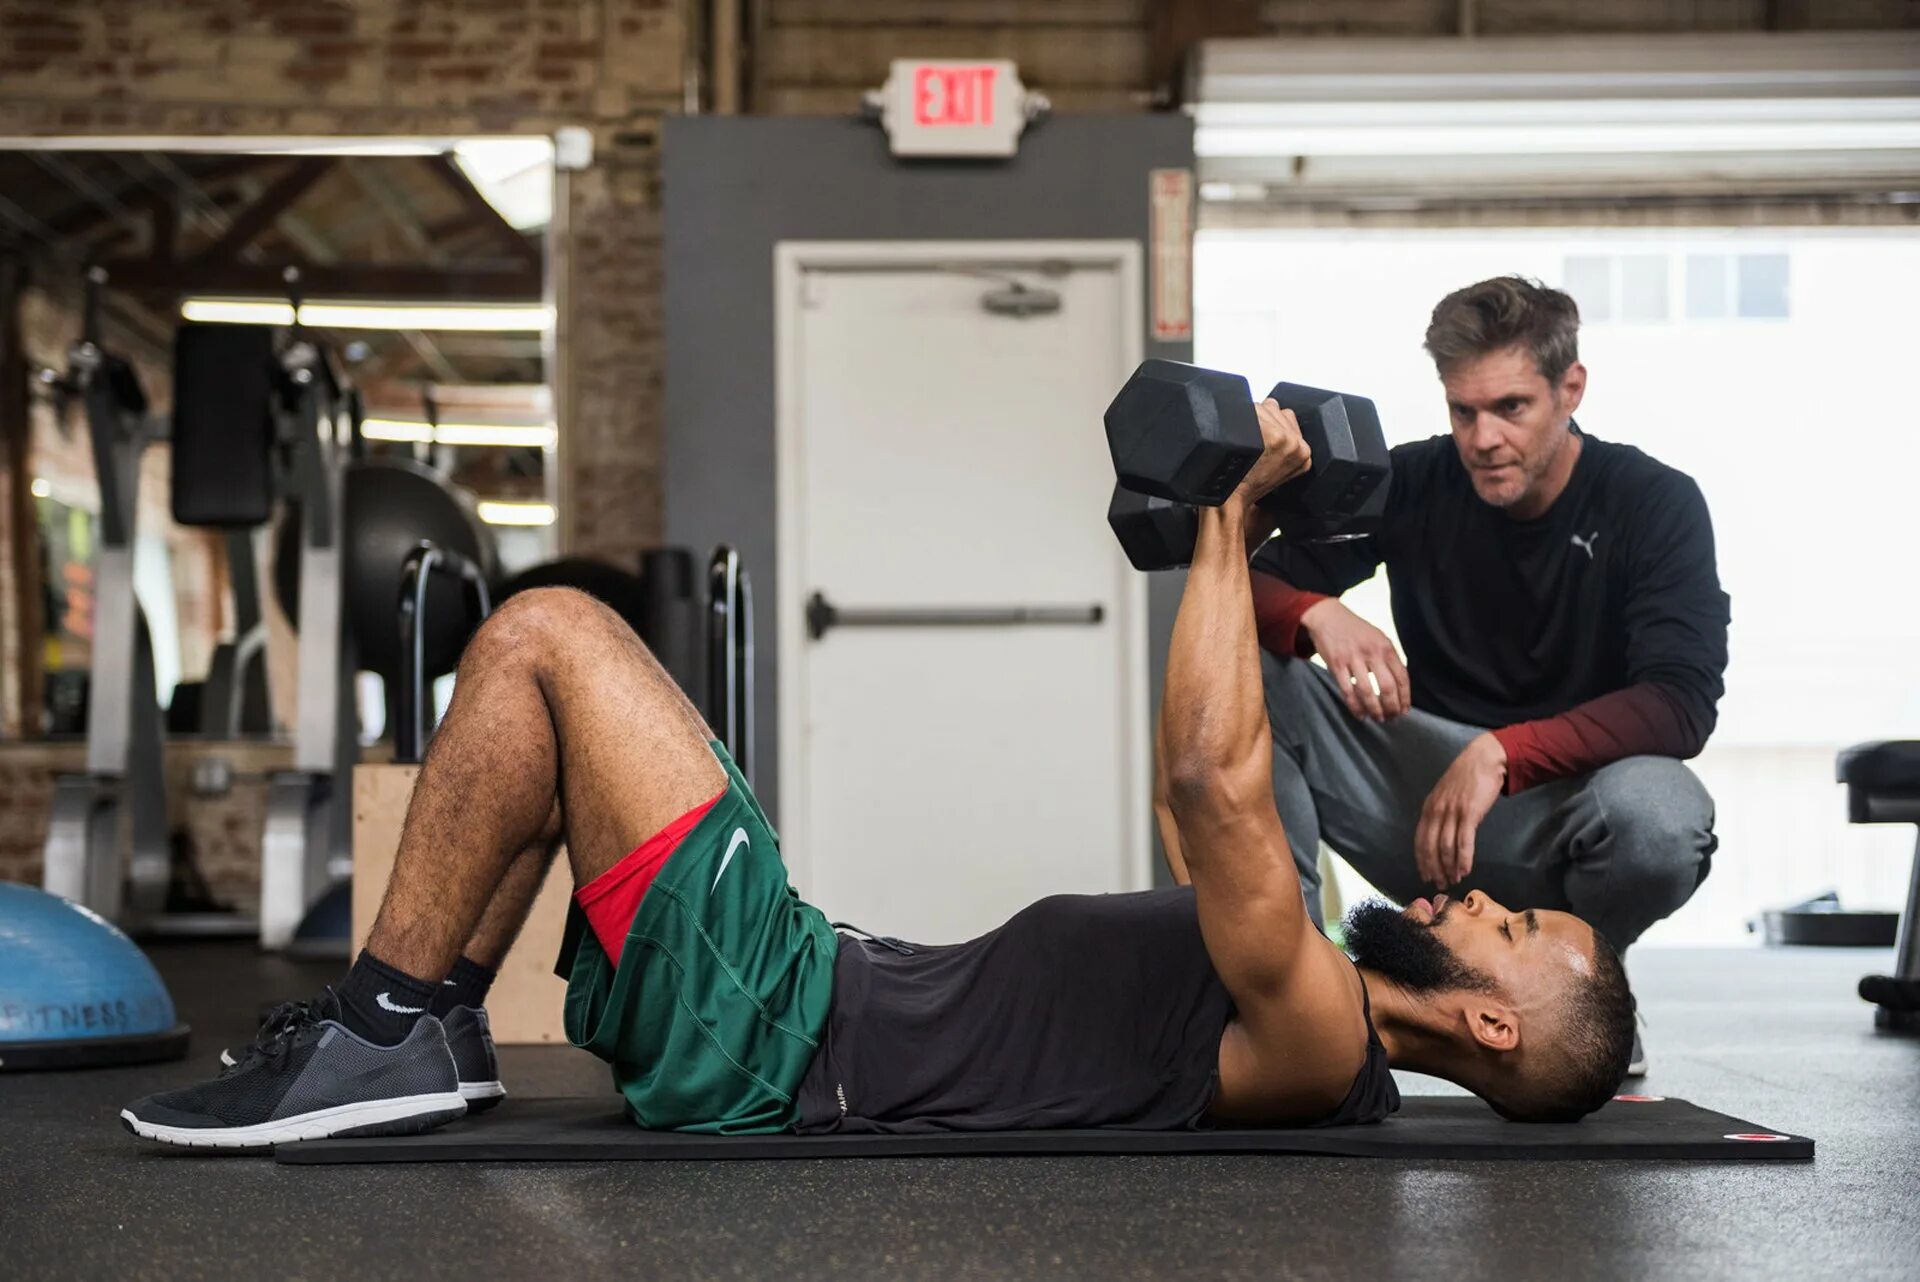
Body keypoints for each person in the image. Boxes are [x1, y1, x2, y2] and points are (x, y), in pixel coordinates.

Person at [119, 404, 1635, 1149]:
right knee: (549, 685)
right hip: (799, 985)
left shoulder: (1317, 1031)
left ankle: (386, 1024)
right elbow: (1222, 770)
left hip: (781, 1033)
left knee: (544, 633)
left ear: (1490, 1019)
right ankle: (431, 1023)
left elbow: (1211, 779)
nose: (1484, 896)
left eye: (1512, 927)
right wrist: (1254, 543)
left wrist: (1233, 511)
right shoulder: (1309, 1005)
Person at [1247, 275, 1730, 1076]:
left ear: (1569, 388)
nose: (1483, 439)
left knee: (1662, 816)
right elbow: (1246, 582)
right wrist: (1313, 613)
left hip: (1570, 806)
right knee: (1258, 660)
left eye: (1511, 408)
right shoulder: (1416, 481)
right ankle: (1301, 987)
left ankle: (1583, 995)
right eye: (1462, 411)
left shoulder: (1654, 502)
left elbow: (1680, 704)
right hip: (1428, 808)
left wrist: (1503, 752)